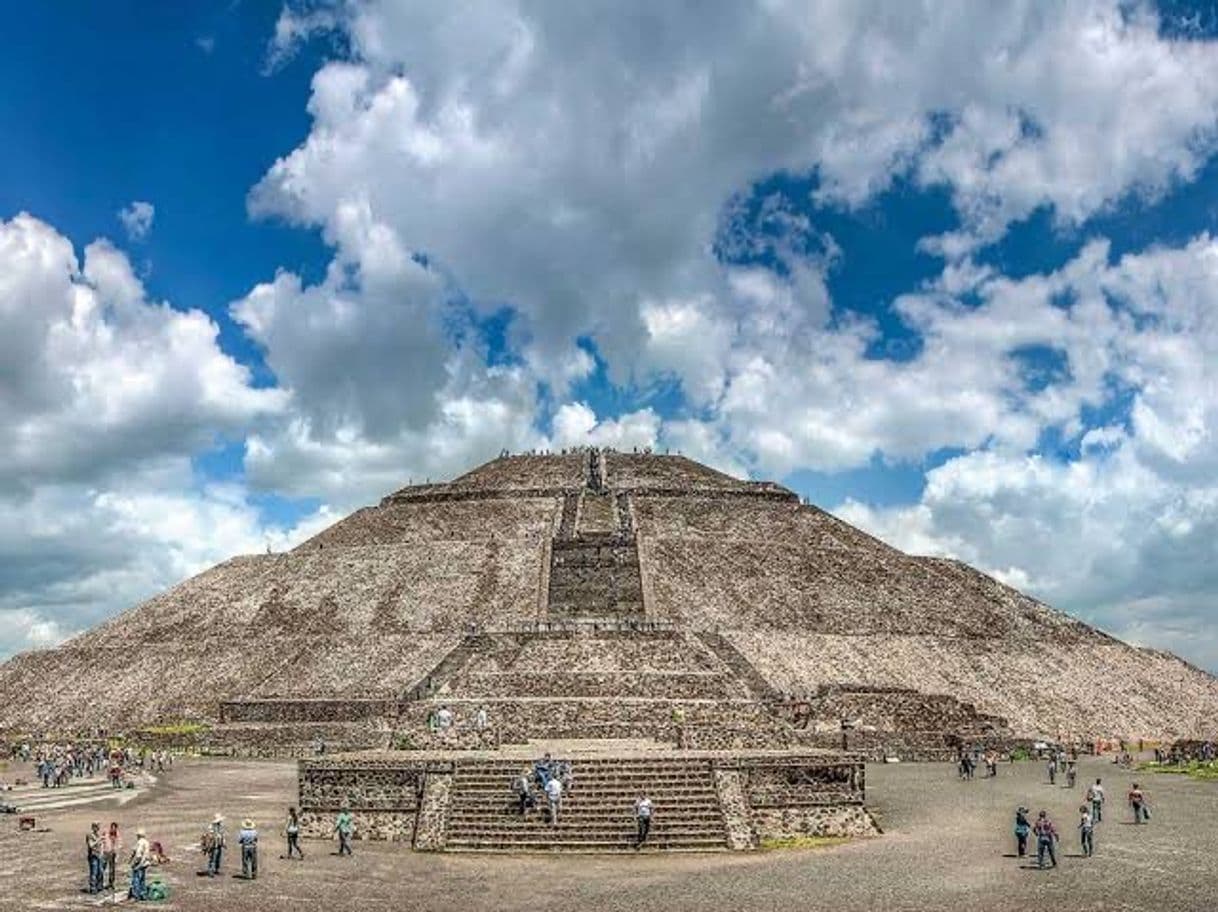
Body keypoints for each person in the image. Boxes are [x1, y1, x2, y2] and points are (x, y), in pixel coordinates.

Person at [128, 827, 151, 901]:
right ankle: (143, 894)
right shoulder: (146, 842)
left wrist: (134, 864)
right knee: (142, 879)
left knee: (136, 879)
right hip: (145, 863)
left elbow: (138, 855)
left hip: (140, 863)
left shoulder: (140, 843)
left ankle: (136, 896)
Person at [86, 822, 104, 894]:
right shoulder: (90, 835)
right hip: (93, 856)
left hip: (99, 855)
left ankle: (99, 886)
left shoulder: (98, 835)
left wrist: (102, 852)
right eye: (97, 827)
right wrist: (98, 840)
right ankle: (93, 888)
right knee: (94, 872)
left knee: (100, 871)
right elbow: (91, 845)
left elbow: (101, 845)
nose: (98, 828)